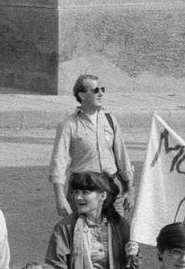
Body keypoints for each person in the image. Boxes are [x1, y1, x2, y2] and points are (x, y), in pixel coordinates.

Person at [49, 74, 132, 216]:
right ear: (82, 95)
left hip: (111, 189)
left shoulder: (110, 120)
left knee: (118, 234)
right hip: (83, 192)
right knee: (83, 235)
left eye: (102, 89)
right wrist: (60, 198)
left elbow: (122, 157)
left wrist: (130, 189)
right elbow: (59, 163)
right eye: (95, 90)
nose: (101, 94)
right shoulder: (68, 125)